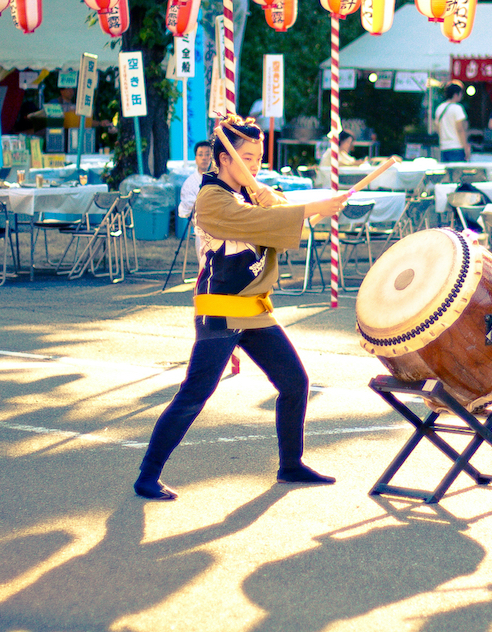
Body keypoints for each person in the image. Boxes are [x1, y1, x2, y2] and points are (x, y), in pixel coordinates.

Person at [134, 118, 351, 501]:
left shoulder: (251, 193)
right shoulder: (212, 198)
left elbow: (289, 224)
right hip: (219, 305)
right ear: (223, 158)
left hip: (251, 305)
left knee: (294, 381)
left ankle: (290, 465)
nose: (253, 165)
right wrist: (308, 206)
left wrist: (309, 208)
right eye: (245, 157)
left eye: (257, 157)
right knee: (196, 392)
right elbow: (262, 223)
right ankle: (147, 475)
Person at [178, 140, 212, 262]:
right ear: (196, 158)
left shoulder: (219, 178)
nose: (204, 158)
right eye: (201, 154)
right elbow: (187, 206)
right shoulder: (190, 182)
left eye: (207, 154)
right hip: (201, 224)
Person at [435, 83, 470, 163]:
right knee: (458, 173)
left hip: (444, 147)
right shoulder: (457, 108)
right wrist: (466, 147)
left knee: (448, 173)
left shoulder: (439, 108)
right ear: (455, 94)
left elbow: (437, 128)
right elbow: (460, 129)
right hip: (457, 146)